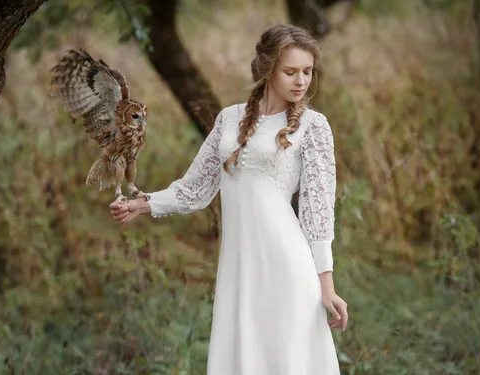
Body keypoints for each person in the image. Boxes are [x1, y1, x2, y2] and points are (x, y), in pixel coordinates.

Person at [109, 24, 348, 375]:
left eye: (307, 72)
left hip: (287, 265)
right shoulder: (229, 119)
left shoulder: (312, 126)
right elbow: (196, 187)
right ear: (267, 69)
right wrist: (143, 203)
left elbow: (318, 211)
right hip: (240, 267)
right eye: (291, 71)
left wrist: (326, 284)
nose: (301, 81)